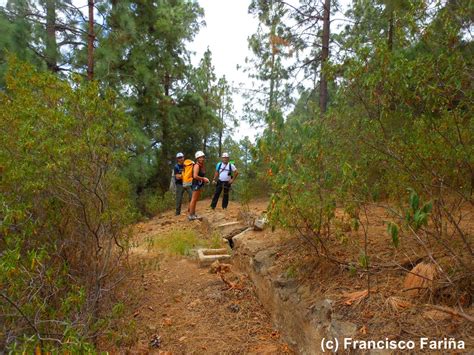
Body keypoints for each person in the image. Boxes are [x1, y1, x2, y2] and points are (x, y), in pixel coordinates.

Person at [188, 150, 209, 220]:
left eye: (203, 157)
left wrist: (203, 180)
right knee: (193, 199)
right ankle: (191, 215)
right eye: (200, 157)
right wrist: (203, 179)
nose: (202, 159)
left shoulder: (201, 165)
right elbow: (195, 176)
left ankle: (193, 214)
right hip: (195, 184)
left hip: (198, 184)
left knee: (195, 199)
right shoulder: (197, 166)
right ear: (197, 158)